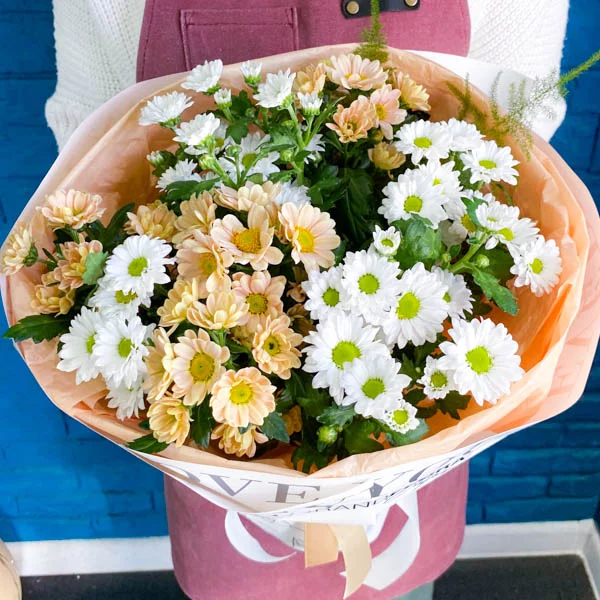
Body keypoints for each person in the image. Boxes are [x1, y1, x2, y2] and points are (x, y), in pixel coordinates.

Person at [42, 2, 570, 599]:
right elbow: (87, 149)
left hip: (420, 406)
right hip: (216, 449)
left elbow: (527, 119)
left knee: (394, 583)